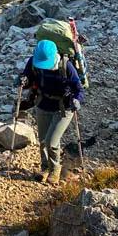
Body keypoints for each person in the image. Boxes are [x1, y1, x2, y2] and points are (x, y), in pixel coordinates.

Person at [19, 39, 84, 183]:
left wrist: (77, 100)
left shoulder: (66, 66)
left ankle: (55, 170)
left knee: (51, 142)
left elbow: (78, 88)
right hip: (43, 104)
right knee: (42, 141)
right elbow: (28, 78)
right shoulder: (33, 62)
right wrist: (23, 80)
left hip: (64, 108)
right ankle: (45, 168)